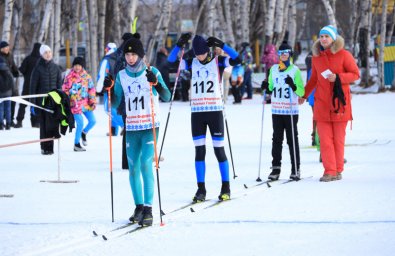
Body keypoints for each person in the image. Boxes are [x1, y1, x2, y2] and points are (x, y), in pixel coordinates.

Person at [103, 36, 171, 227]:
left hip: (150, 125)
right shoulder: (122, 76)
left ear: (141, 55)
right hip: (131, 127)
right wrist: (107, 89)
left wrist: (156, 83)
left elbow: (167, 96)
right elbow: (115, 103)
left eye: (134, 54)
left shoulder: (152, 71)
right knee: (132, 168)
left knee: (146, 164)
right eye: (127, 54)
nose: (130, 58)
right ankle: (139, 207)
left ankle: (149, 209)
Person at [168, 34, 241, 202]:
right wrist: (179, 45)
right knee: (199, 151)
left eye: (202, 53)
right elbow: (171, 63)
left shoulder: (219, 62)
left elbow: (238, 59)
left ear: (207, 51)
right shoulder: (192, 63)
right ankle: (201, 189)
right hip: (197, 113)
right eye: (197, 53)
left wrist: (223, 44)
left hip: (215, 112)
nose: (199, 56)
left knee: (219, 151)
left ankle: (226, 187)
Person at [300, 25, 359, 182]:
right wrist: (304, 95)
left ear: (334, 39)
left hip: (340, 104)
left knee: (338, 140)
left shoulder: (344, 55)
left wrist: (338, 77)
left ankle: (338, 170)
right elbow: (313, 80)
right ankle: (329, 171)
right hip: (322, 105)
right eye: (321, 36)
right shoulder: (316, 58)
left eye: (327, 36)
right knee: (325, 141)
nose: (324, 39)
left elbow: (355, 74)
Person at [261, 41, 305, 181]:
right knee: (277, 139)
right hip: (277, 110)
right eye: (280, 53)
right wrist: (266, 87)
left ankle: (295, 169)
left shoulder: (294, 70)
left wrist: (293, 85)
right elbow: (271, 87)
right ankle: (275, 168)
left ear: (290, 54)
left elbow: (301, 91)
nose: (283, 55)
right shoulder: (273, 69)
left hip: (290, 111)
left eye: (286, 53)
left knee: (292, 140)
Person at [30, 44, 63, 155]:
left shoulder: (56, 68)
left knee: (53, 124)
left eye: (49, 52)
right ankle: (44, 147)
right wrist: (33, 104)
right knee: (44, 125)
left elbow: (59, 86)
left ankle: (51, 147)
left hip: (54, 102)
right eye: (45, 53)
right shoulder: (37, 69)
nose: (48, 54)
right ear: (41, 54)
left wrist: (61, 101)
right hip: (42, 102)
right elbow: (32, 87)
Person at [62, 57, 96, 152]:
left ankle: (84, 133)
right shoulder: (69, 77)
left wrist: (92, 101)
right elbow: (65, 89)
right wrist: (69, 98)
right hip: (75, 104)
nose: (77, 67)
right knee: (80, 122)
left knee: (93, 121)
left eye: (79, 65)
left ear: (82, 66)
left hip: (85, 104)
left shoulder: (87, 77)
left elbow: (91, 89)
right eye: (76, 65)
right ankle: (76, 144)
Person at [96, 42, 124, 136]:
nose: (105, 51)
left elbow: (101, 75)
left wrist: (98, 89)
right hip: (118, 87)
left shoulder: (106, 60)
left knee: (108, 109)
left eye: (106, 49)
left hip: (108, 87)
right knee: (114, 108)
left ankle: (124, 126)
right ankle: (113, 129)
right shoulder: (120, 59)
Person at [15, 42, 42, 128]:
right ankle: (36, 122)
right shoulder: (41, 60)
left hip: (27, 85)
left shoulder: (28, 59)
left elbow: (22, 70)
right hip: (37, 86)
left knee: (23, 104)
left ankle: (19, 121)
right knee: (36, 104)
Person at [0, 41, 19, 127]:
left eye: (7, 47)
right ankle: (3, 122)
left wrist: (16, 72)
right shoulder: (0, 57)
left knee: (10, 104)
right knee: (3, 105)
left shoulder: (10, 56)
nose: (6, 49)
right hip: (3, 82)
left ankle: (10, 121)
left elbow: (13, 66)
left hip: (10, 83)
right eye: (4, 48)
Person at [0, 57, 14, 130]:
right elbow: (12, 81)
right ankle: (8, 124)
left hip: (0, 94)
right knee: (8, 109)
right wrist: (13, 91)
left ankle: (1, 124)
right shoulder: (8, 70)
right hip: (8, 93)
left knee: (0, 109)